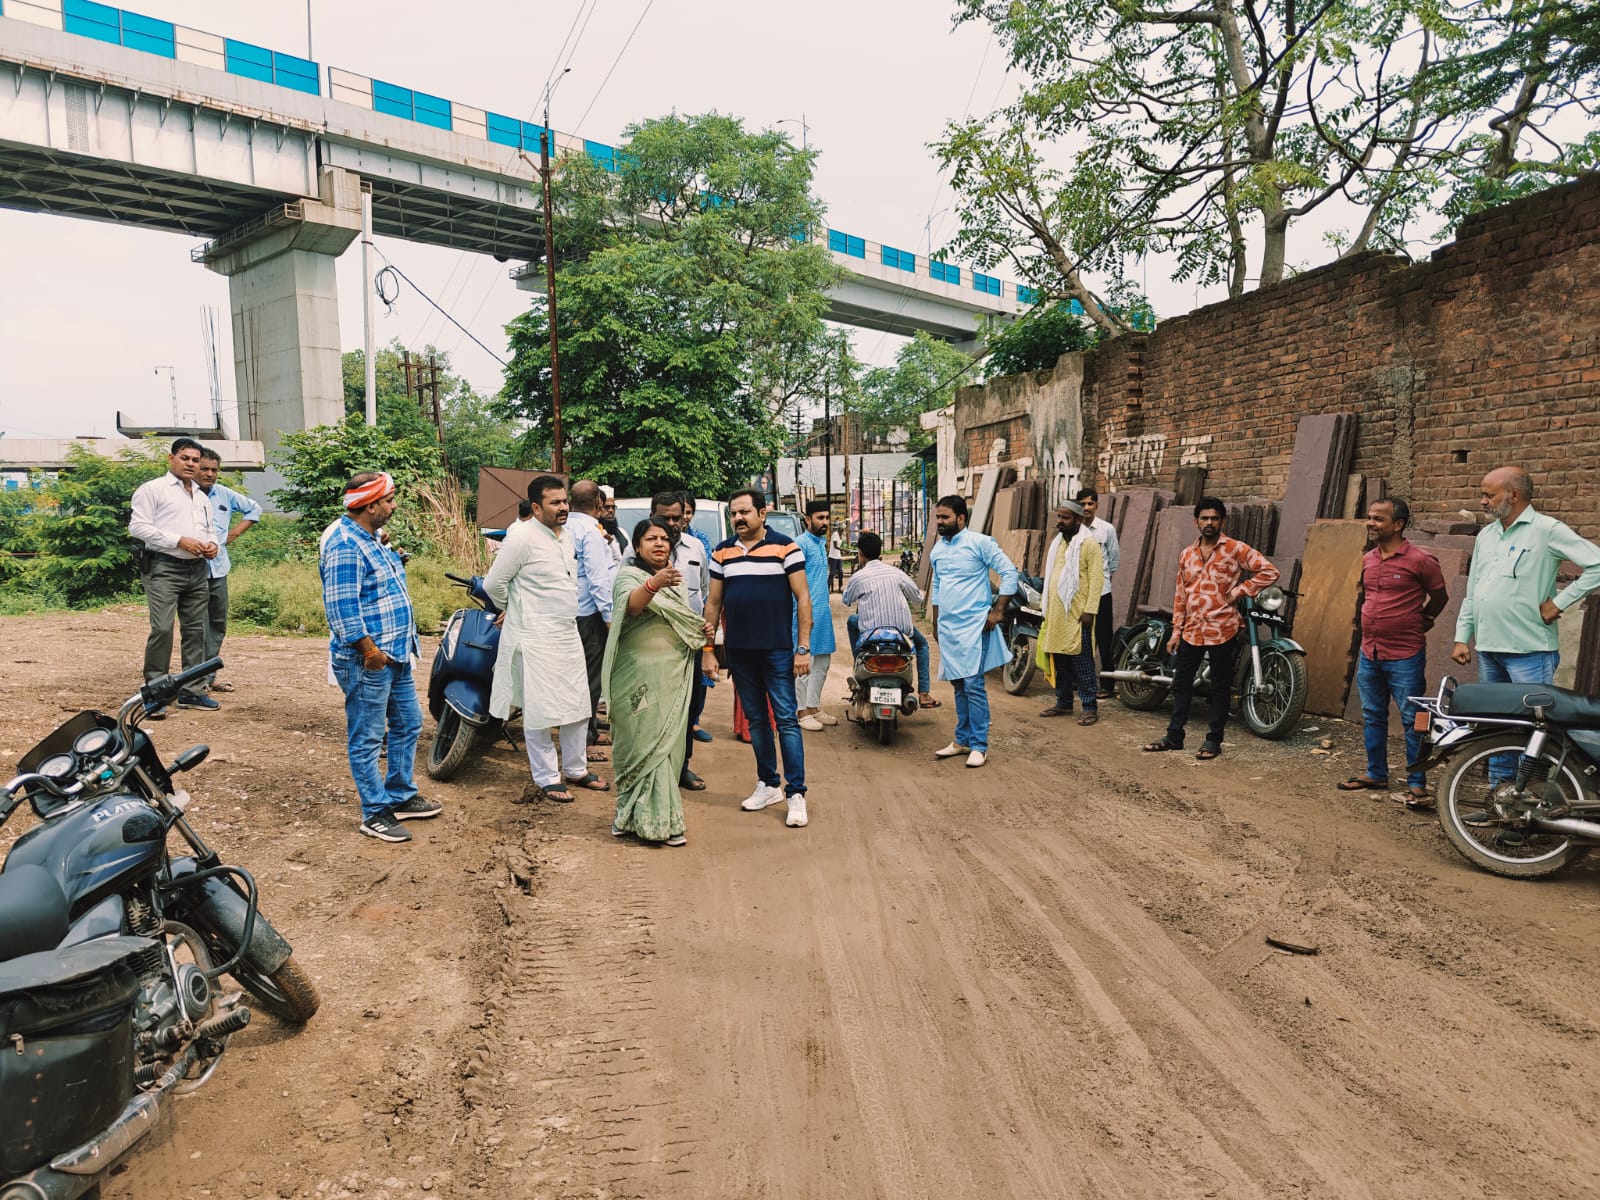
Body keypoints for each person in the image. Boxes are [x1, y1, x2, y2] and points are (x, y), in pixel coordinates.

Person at [1452, 466, 1600, 790]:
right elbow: (1475, 589)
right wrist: (1463, 636)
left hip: (1530, 652)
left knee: (1533, 732)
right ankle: (1498, 799)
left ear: (1513, 495)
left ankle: (1527, 808)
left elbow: (1597, 563)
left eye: (1488, 495)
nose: (1482, 502)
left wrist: (1560, 603)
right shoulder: (1487, 535)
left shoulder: (1546, 530)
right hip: (1489, 649)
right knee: (1497, 730)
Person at [320, 472, 441, 842]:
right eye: (389, 499)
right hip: (370, 659)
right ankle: (374, 812)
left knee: (408, 723)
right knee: (368, 737)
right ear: (370, 504)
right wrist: (368, 650)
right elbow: (341, 607)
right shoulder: (344, 544)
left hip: (395, 654)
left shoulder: (369, 538)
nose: (393, 505)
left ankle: (400, 795)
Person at [484, 475, 608, 804]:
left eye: (565, 501)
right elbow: (493, 584)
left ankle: (576, 769)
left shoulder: (566, 537)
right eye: (555, 503)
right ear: (537, 507)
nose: (563, 507)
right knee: (539, 710)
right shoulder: (521, 537)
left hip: (566, 632)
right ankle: (547, 777)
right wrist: (513, 608)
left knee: (578, 703)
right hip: (533, 635)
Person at [703, 488, 813, 828]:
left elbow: (803, 599)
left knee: (786, 721)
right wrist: (709, 651)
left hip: (777, 650)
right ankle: (768, 784)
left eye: (744, 512)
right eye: (733, 514)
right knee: (756, 721)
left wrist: (803, 648)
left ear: (762, 514)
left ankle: (796, 793)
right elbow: (713, 604)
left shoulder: (785, 546)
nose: (738, 518)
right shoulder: (722, 553)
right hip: (739, 652)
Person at [1143, 497, 1279, 760]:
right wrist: (1176, 631)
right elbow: (1180, 594)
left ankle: (1213, 740)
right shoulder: (1187, 554)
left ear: (1222, 521)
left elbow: (1269, 572)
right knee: (1181, 683)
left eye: (1214, 518)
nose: (1209, 523)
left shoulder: (1235, 549)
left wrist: (1240, 591)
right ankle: (1174, 736)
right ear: (1196, 521)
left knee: (1219, 686)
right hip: (1192, 630)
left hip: (1222, 628)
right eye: (1204, 518)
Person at [1338, 498, 1448, 806]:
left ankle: (1417, 783)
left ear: (1398, 524)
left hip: (1405, 654)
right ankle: (1377, 773)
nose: (1371, 523)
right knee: (1373, 714)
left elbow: (1440, 597)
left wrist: (1424, 619)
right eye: (1369, 518)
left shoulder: (1420, 560)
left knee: (1414, 718)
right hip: (1370, 652)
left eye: (1378, 519)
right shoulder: (1369, 559)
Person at [603, 518, 706, 846]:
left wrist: (699, 628)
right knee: (637, 744)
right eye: (651, 538)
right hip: (636, 676)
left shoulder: (675, 580)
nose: (659, 544)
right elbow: (630, 607)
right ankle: (628, 815)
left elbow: (683, 620)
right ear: (637, 546)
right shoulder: (628, 576)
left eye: (664, 539)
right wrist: (653, 584)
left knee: (665, 748)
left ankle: (665, 823)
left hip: (671, 677)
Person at [128, 437, 219, 717]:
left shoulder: (202, 497)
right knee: (163, 629)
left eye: (195, 460)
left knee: (195, 631)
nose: (190, 464)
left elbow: (209, 529)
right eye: (185, 458)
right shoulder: (153, 490)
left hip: (197, 569)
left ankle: (192, 690)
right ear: (171, 459)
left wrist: (212, 544)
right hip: (163, 568)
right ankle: (155, 694)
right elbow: (138, 527)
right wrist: (178, 541)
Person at [928, 494, 1018, 768]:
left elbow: (1009, 572)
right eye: (938, 517)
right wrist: (935, 620)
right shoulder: (937, 551)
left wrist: (998, 610)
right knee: (957, 683)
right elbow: (938, 587)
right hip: (949, 627)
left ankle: (979, 745)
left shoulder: (980, 543)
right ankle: (962, 739)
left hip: (975, 625)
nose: (940, 522)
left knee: (973, 685)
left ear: (961, 518)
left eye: (945, 517)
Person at [641, 491, 710, 790]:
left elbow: (705, 594)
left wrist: (709, 646)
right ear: (652, 515)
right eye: (664, 517)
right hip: (652, 646)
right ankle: (650, 771)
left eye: (676, 517)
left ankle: (682, 767)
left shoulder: (696, 548)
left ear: (685, 515)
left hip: (688, 645)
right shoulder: (638, 553)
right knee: (652, 709)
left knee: (688, 708)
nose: (671, 523)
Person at [842, 531, 938, 708]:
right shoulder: (897, 573)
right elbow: (917, 598)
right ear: (880, 552)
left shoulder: (858, 577)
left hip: (871, 634)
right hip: (902, 633)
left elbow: (846, 600)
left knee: (852, 621)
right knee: (923, 644)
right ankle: (924, 693)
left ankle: (859, 663)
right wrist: (921, 593)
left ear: (860, 554)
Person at [194, 449, 261, 694]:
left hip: (219, 568)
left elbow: (254, 510)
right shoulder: (185, 495)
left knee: (217, 624)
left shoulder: (224, 494)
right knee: (196, 626)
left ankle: (208, 676)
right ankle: (193, 680)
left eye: (214, 470)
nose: (209, 474)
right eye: (205, 469)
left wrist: (233, 534)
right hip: (191, 570)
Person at [1036, 500, 1105, 726]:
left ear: (1078, 520)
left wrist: (1090, 610)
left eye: (1065, 518)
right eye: (1059, 517)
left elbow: (1096, 580)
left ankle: (1089, 707)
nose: (1060, 522)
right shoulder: (1058, 543)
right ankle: (1064, 703)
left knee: (1082, 661)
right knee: (1060, 659)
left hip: (1077, 614)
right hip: (1057, 614)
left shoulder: (1088, 544)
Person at [567, 480, 619, 753]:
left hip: (566, 611)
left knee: (573, 676)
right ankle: (586, 734)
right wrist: (609, 617)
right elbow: (599, 580)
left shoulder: (563, 527)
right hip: (589, 614)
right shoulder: (590, 531)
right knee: (590, 678)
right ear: (598, 504)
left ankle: (584, 730)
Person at [795, 500, 839, 731]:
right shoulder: (800, 544)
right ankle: (801, 712)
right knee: (805, 664)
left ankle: (813, 706)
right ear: (807, 520)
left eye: (826, 517)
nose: (824, 522)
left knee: (822, 662)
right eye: (819, 518)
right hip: (804, 615)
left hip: (823, 615)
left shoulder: (821, 543)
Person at [679, 492, 718, 747]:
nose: (683, 518)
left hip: (696, 620)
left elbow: (706, 587)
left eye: (688, 512)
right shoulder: (656, 540)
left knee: (699, 678)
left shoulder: (700, 541)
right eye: (679, 512)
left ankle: (694, 721)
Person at [1077, 488, 1121, 695]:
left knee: (1103, 637)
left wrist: (1099, 580)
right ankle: (1080, 680)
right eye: (1083, 504)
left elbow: (1114, 560)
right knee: (1079, 636)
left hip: (1102, 590)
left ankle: (1107, 685)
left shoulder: (1106, 529)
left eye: (1090, 504)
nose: (1086, 507)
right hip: (1078, 591)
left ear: (1096, 505)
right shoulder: (1074, 530)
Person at [598, 485, 629, 563]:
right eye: (607, 507)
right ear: (599, 509)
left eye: (613, 507)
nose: (611, 510)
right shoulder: (595, 534)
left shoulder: (623, 532)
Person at [827, 526, 844, 593]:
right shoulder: (835, 534)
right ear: (839, 530)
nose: (842, 532)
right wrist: (844, 550)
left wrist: (841, 551)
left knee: (840, 572)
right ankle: (828, 589)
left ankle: (840, 588)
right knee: (832, 573)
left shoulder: (840, 535)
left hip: (838, 556)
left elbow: (838, 547)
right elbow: (835, 546)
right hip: (833, 556)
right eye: (841, 530)